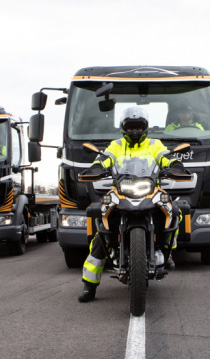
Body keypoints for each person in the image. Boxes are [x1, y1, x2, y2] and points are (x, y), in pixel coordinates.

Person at [78, 107, 186, 303]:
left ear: (145, 128)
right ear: (123, 128)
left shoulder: (155, 144)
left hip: (150, 188)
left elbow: (165, 156)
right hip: (121, 190)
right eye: (130, 127)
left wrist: (175, 164)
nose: (134, 131)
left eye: (138, 127)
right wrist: (95, 167)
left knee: (175, 211)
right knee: (101, 234)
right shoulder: (116, 145)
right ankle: (89, 286)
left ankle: (167, 251)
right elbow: (104, 158)